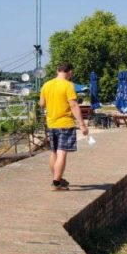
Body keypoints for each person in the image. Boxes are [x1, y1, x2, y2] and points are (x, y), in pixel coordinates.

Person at [39, 61, 89, 190]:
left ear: (57, 70)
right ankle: (57, 182)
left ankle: (57, 178)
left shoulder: (46, 85)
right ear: (70, 72)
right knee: (62, 152)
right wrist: (82, 124)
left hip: (51, 123)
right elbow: (73, 105)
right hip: (65, 123)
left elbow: (42, 103)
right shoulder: (68, 85)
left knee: (53, 152)